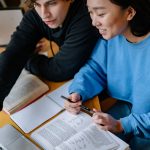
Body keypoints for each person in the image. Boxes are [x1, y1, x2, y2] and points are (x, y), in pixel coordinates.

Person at [64, 0, 150, 149]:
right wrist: (78, 91)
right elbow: (95, 68)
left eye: (101, 13)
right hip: (125, 111)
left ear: (130, 12)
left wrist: (121, 125)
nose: (94, 22)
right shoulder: (114, 35)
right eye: (91, 12)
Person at [0, 0, 99, 110]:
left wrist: (27, 58)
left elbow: (58, 70)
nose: (44, 14)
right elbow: (12, 55)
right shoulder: (35, 15)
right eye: (37, 4)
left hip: (98, 87)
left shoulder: (87, 15)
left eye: (51, 3)